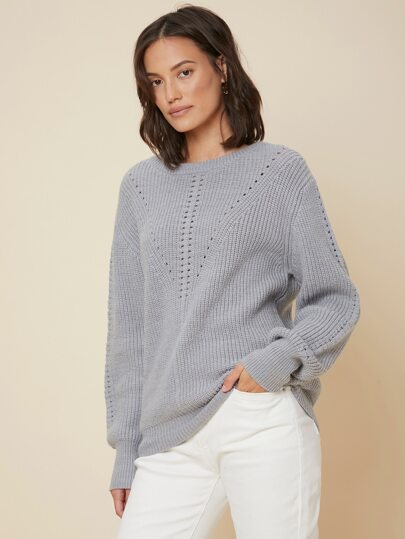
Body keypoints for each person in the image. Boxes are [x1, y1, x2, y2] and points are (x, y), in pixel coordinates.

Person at [103, 5, 361, 538]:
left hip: (258, 416)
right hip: (168, 432)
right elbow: (129, 330)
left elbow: (335, 298)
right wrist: (127, 448)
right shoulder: (140, 187)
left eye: (184, 72)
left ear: (221, 67)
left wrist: (274, 363)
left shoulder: (279, 172)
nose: (171, 94)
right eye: (156, 81)